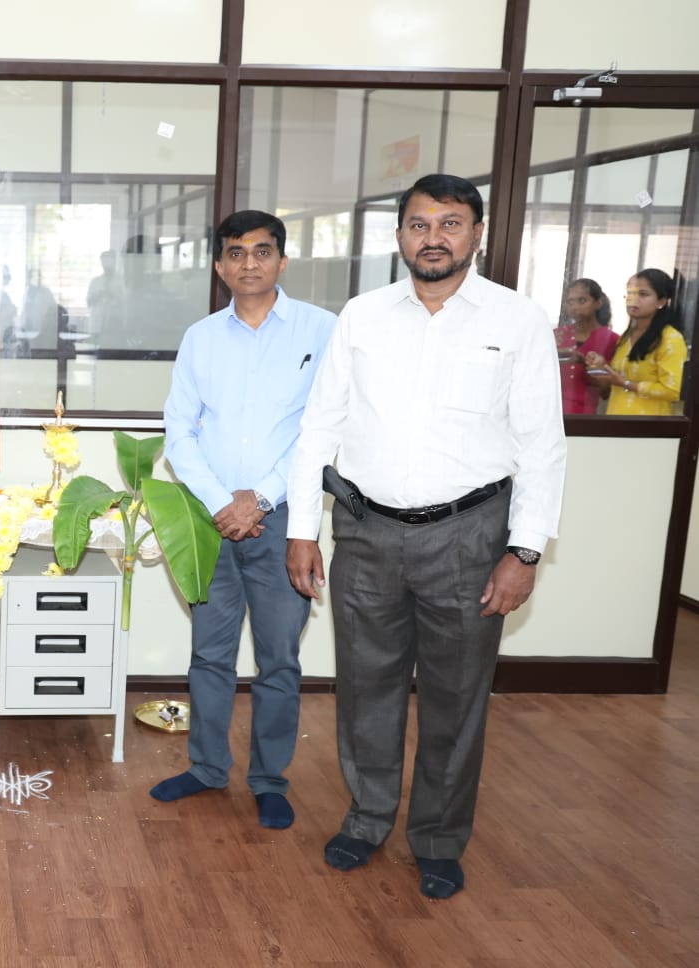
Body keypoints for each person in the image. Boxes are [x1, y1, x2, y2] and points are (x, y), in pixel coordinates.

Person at [285, 174, 566, 900]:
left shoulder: (518, 320)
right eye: (419, 224)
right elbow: (320, 426)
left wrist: (524, 550)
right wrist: (301, 529)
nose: (433, 238)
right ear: (399, 236)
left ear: (476, 233)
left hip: (471, 536)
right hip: (367, 532)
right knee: (365, 688)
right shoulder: (362, 316)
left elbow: (542, 444)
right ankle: (367, 818)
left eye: (450, 223)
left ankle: (439, 839)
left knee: (457, 697)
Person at [152, 210, 337, 831]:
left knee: (279, 658)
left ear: (282, 260)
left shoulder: (323, 330)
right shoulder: (201, 337)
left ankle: (269, 780)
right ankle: (207, 768)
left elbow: (321, 431)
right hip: (211, 521)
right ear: (219, 265)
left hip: (285, 521)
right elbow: (179, 431)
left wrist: (258, 499)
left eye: (262, 252)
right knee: (210, 654)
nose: (249, 263)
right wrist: (219, 503)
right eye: (236, 253)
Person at [586, 268, 688, 416]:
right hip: (616, 419)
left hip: (647, 424)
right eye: (630, 293)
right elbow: (619, 377)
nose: (633, 299)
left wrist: (625, 383)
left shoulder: (670, 338)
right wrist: (602, 366)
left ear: (662, 301)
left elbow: (673, 391)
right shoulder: (626, 336)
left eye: (643, 294)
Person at [554, 278, 619, 415]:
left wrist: (584, 362)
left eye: (582, 300)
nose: (575, 307)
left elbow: (606, 392)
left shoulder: (612, 340)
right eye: (570, 302)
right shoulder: (557, 335)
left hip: (587, 416)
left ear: (598, 303)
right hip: (551, 411)